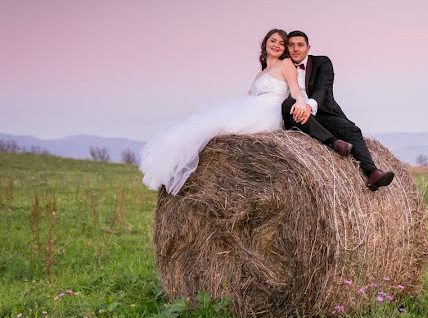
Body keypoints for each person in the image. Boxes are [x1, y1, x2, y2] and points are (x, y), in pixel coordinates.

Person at [140, 29, 308, 195]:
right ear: (265, 43)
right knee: (203, 126)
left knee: (218, 128)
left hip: (269, 110)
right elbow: (249, 97)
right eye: (273, 41)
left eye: (281, 43)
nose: (276, 45)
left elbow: (294, 88)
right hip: (252, 107)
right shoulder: (259, 74)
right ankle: (172, 166)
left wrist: (300, 102)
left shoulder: (285, 65)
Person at [281, 30, 394, 191]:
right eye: (291, 45)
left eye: (300, 45)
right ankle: (333, 142)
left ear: (308, 47)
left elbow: (322, 89)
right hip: (294, 114)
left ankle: (373, 173)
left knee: (352, 130)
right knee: (288, 104)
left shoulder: (322, 63)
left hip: (321, 112)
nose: (295, 49)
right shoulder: (282, 66)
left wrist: (308, 106)